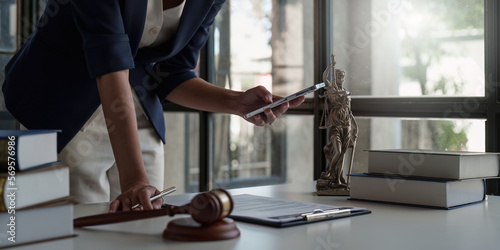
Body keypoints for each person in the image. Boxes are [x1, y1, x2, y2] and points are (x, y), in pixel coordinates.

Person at [2, 0, 304, 212]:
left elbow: (173, 73)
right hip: (61, 103)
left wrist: (236, 102)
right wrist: (135, 178)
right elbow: (110, 62)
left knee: (141, 227)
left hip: (139, 109)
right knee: (78, 228)